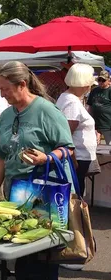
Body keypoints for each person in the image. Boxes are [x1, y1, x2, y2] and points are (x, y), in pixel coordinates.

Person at [0, 61, 74, 280]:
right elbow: (1, 156)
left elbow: (67, 148)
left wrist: (46, 157)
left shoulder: (47, 110)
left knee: (43, 258)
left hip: (44, 196)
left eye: (4, 88)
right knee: (22, 255)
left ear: (22, 84)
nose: (0, 94)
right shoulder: (5, 115)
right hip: (15, 196)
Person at [56, 63, 97, 197]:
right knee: (76, 193)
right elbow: (67, 132)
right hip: (77, 156)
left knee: (75, 190)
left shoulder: (68, 98)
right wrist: (72, 157)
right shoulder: (71, 101)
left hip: (77, 155)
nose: (88, 87)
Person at [87, 70, 111, 144]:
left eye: (103, 80)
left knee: (108, 146)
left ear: (108, 80)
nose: (100, 82)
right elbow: (90, 106)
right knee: (95, 146)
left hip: (108, 124)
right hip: (95, 124)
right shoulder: (94, 90)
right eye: (99, 80)